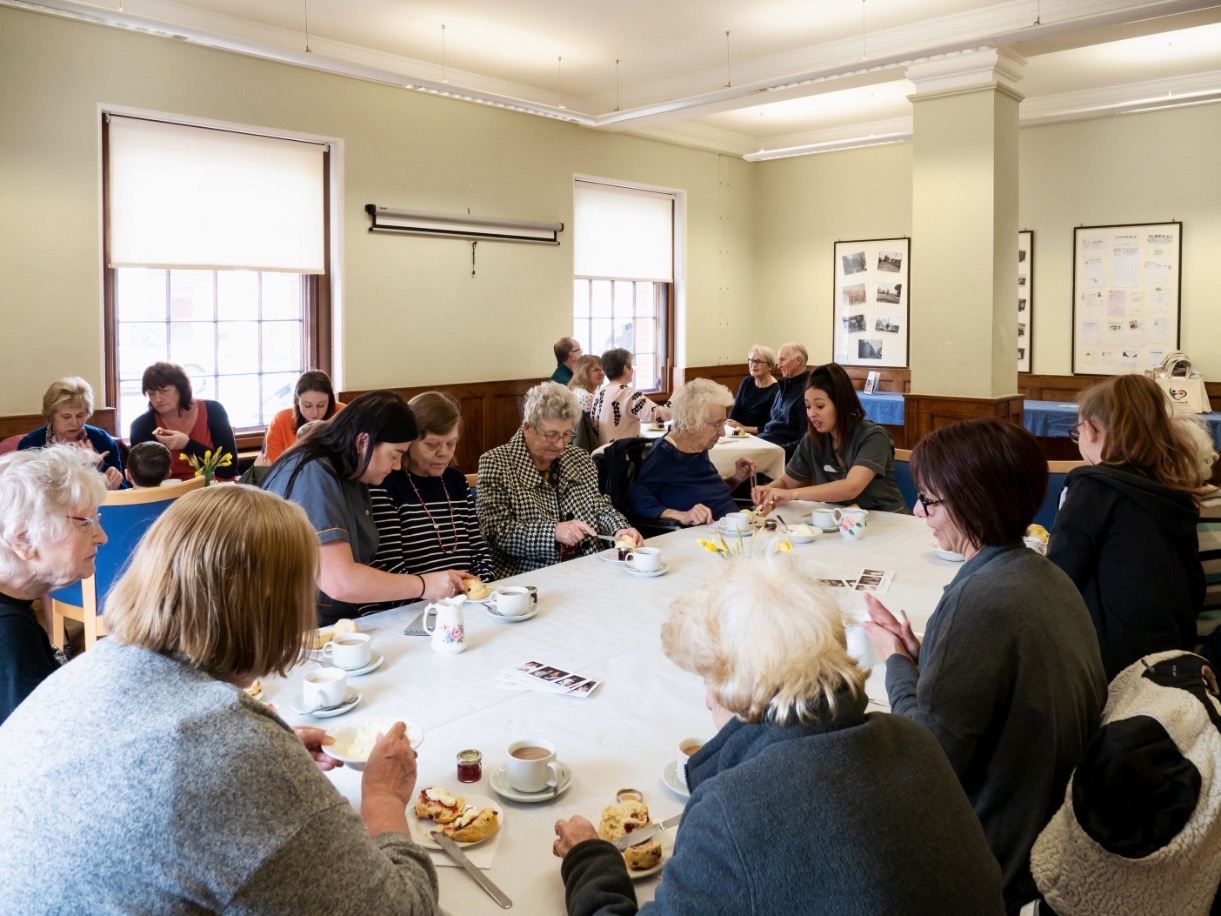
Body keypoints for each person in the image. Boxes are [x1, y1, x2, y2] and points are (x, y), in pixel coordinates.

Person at [0, 486, 439, 913]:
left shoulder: (84, 672)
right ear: (271, 599)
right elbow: (402, 907)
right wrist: (382, 799)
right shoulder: (231, 745)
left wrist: (264, 762)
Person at [553, 556, 1006, 915]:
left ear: (734, 689)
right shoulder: (914, 741)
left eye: (706, 678)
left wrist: (591, 861)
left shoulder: (732, 809)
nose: (705, 700)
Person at [863, 417, 1106, 912]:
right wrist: (922, 655)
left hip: (1001, 857)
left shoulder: (980, 599)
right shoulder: (1042, 574)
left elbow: (928, 761)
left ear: (973, 501)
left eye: (929, 501)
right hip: (1056, 821)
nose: (917, 510)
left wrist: (893, 661)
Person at [1047, 373, 1206, 680]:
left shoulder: (1092, 486)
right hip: (1171, 661)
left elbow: (1057, 579)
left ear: (1090, 430)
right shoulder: (1173, 490)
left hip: (1108, 668)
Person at [261, 390, 468, 625]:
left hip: (338, 619)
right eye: (394, 455)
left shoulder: (353, 472)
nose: (398, 466)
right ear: (363, 441)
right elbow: (340, 582)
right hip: (297, 625)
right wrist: (424, 585)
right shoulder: (314, 472)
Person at [478, 382, 641, 578]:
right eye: (551, 435)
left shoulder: (579, 458)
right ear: (528, 427)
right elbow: (496, 532)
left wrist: (620, 528)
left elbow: (599, 508)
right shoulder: (496, 463)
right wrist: (553, 532)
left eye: (567, 434)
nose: (560, 444)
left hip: (588, 567)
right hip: (530, 576)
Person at [0, 447, 107, 725]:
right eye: (86, 523)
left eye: (97, 520)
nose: (102, 537)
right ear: (23, 539)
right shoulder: (10, 635)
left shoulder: (14, 614)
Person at [752, 362, 907, 512]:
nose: (812, 414)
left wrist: (793, 495)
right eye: (807, 406)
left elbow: (851, 487)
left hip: (886, 521)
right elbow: (786, 483)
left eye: (820, 406)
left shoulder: (874, 437)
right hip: (841, 523)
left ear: (841, 404)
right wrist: (767, 490)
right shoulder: (813, 440)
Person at [372, 392, 493, 582]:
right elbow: (391, 569)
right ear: (409, 442)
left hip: (467, 600)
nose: (444, 453)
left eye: (451, 443)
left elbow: (480, 551)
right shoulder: (387, 484)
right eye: (432, 445)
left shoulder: (456, 480)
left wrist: (480, 586)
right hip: (418, 605)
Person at [630, 379, 754, 526]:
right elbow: (637, 498)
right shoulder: (665, 454)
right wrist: (681, 515)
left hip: (733, 527)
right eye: (716, 424)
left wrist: (736, 478)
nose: (722, 432)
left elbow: (710, 491)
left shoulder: (699, 447)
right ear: (691, 423)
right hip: (704, 537)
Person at [128, 362, 239, 482]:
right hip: (172, 495)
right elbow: (144, 480)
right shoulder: (142, 426)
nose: (157, 399)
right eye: (151, 393)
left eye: (164, 391)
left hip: (216, 490)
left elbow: (229, 468)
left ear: (181, 388)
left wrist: (187, 444)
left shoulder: (213, 410)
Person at [18, 377, 124, 490]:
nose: (74, 423)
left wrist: (112, 483)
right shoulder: (30, 445)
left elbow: (123, 489)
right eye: (66, 417)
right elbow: (24, 492)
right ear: (51, 416)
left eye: (80, 415)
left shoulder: (102, 440)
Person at [262, 370, 345, 465]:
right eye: (307, 405)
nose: (315, 412)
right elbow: (274, 466)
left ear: (330, 401)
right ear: (297, 401)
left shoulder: (343, 414)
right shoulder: (281, 420)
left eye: (321, 405)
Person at [590, 348, 671, 444]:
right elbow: (662, 416)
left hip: (602, 453)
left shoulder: (599, 393)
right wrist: (676, 397)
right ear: (626, 369)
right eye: (632, 366)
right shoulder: (629, 394)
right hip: (623, 454)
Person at [756, 342, 810, 457]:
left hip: (781, 452)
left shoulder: (808, 393)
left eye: (782, 360)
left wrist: (777, 452)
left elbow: (805, 441)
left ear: (798, 360)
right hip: (764, 442)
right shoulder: (783, 386)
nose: (779, 365)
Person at [726, 344, 779, 434]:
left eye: (759, 362)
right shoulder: (747, 381)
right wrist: (730, 423)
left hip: (760, 436)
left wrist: (743, 428)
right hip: (738, 432)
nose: (753, 365)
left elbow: (770, 426)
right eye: (751, 361)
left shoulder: (776, 390)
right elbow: (736, 408)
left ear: (770, 366)